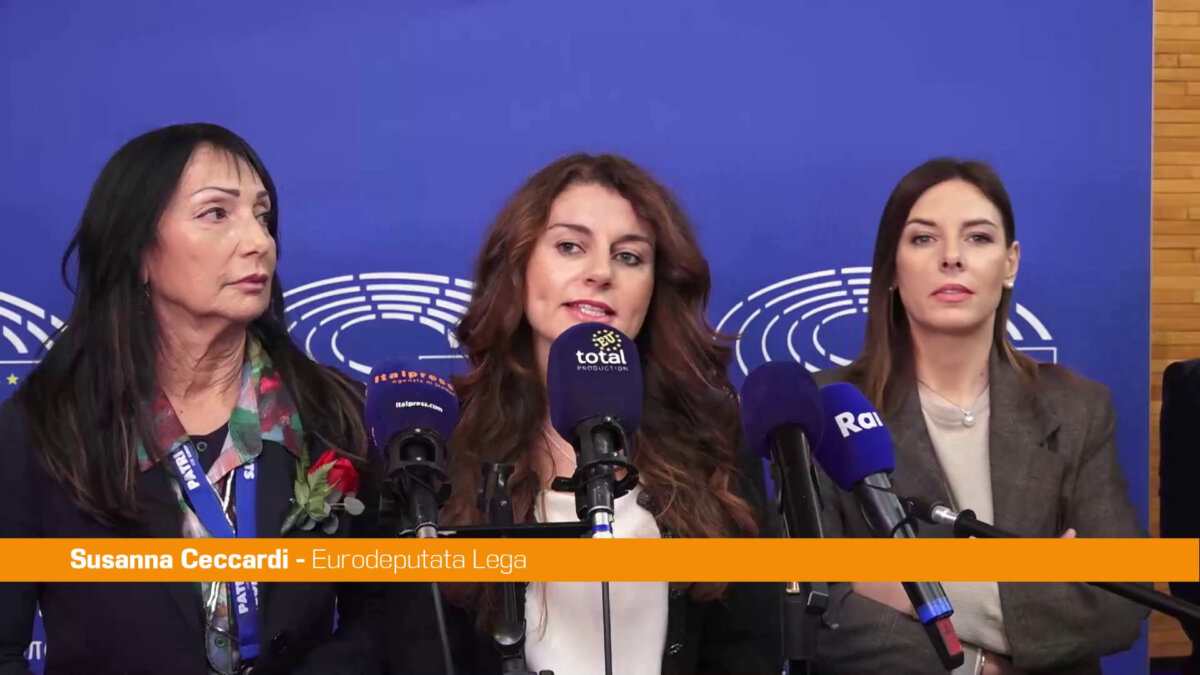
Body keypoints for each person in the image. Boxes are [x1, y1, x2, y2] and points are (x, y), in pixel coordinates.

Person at [0, 123, 384, 675]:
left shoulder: (336, 411)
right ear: (138, 251)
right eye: (216, 213)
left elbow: (387, 620)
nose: (259, 242)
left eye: (262, 216)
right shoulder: (44, 429)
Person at [386, 153, 780, 675]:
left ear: (655, 286)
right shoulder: (440, 447)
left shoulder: (716, 443)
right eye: (570, 246)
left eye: (629, 257)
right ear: (519, 266)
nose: (600, 273)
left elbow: (750, 649)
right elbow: (416, 646)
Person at [813, 158, 1148, 675]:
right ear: (892, 268)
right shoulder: (826, 409)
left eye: (978, 238)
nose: (952, 257)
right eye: (924, 238)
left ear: (1010, 263)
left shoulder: (1079, 408)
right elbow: (818, 608)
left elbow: (1123, 595)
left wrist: (903, 586)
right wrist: (977, 662)